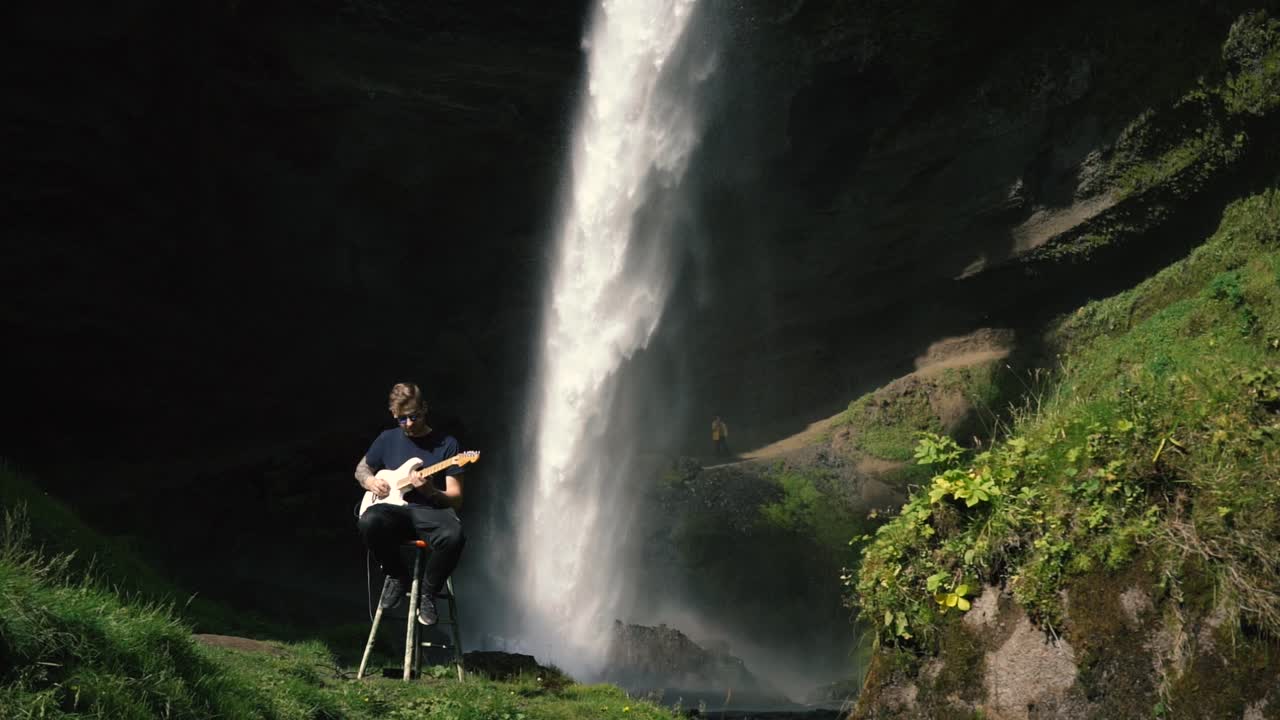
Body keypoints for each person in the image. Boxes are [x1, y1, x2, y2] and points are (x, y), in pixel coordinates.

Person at [355, 382, 466, 626]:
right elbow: (362, 468)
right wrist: (370, 481)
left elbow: (456, 499)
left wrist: (429, 490)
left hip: (430, 513)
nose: (408, 424)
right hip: (394, 513)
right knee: (369, 521)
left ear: (425, 408)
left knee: (455, 536)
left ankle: (428, 593)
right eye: (402, 419)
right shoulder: (387, 439)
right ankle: (397, 575)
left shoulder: (448, 445)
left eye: (414, 416)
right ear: (394, 415)